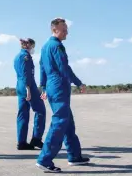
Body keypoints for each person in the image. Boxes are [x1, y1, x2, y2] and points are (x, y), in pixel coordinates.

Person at [36, 18, 90, 173]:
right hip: (59, 86)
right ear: (54, 30)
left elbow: (42, 68)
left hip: (52, 87)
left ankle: (74, 156)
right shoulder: (57, 46)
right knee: (59, 123)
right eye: (64, 29)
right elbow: (64, 68)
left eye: (66, 28)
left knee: (68, 123)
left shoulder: (45, 47)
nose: (67, 31)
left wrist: (44, 87)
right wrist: (78, 83)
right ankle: (44, 160)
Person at [13, 38, 46, 150]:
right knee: (40, 111)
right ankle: (36, 139)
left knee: (23, 114)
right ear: (28, 45)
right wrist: (28, 88)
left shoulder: (17, 56)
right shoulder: (26, 57)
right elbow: (26, 72)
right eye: (33, 45)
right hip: (28, 86)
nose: (33, 48)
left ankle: (21, 142)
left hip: (20, 86)